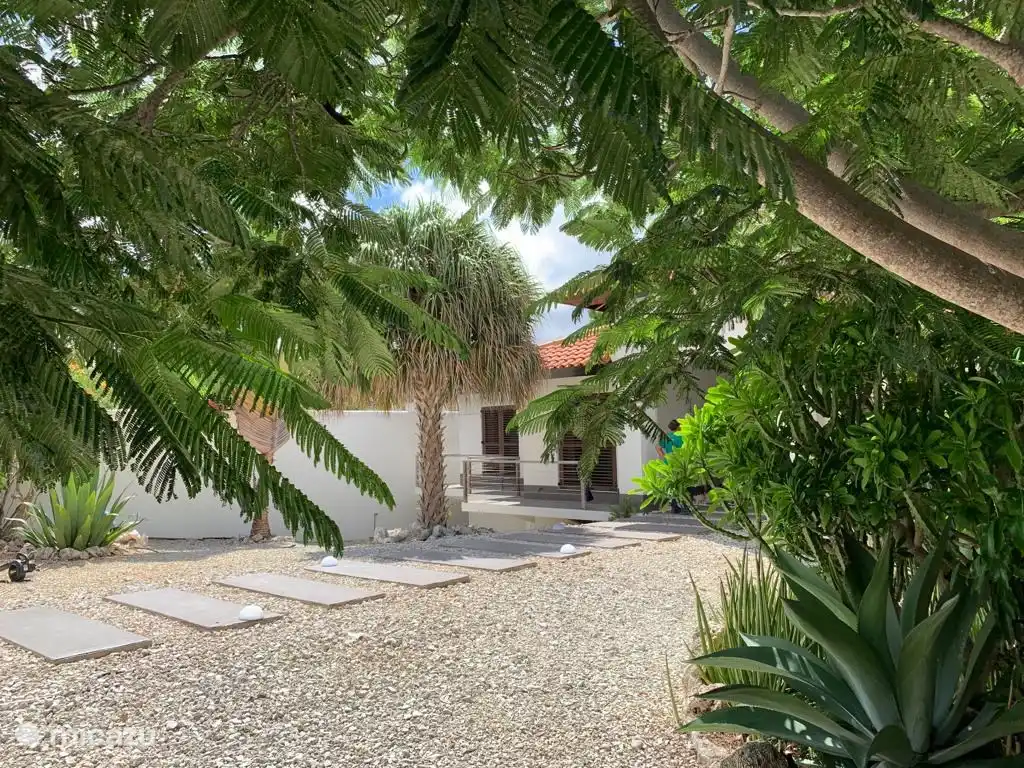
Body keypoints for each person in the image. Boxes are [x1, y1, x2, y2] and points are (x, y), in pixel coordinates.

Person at [656, 420, 684, 513]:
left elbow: (658, 447)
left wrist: (664, 458)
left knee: (673, 483)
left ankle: (674, 504)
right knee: (681, 483)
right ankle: (681, 505)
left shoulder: (666, 437)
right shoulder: (682, 436)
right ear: (679, 426)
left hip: (669, 463)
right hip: (680, 462)